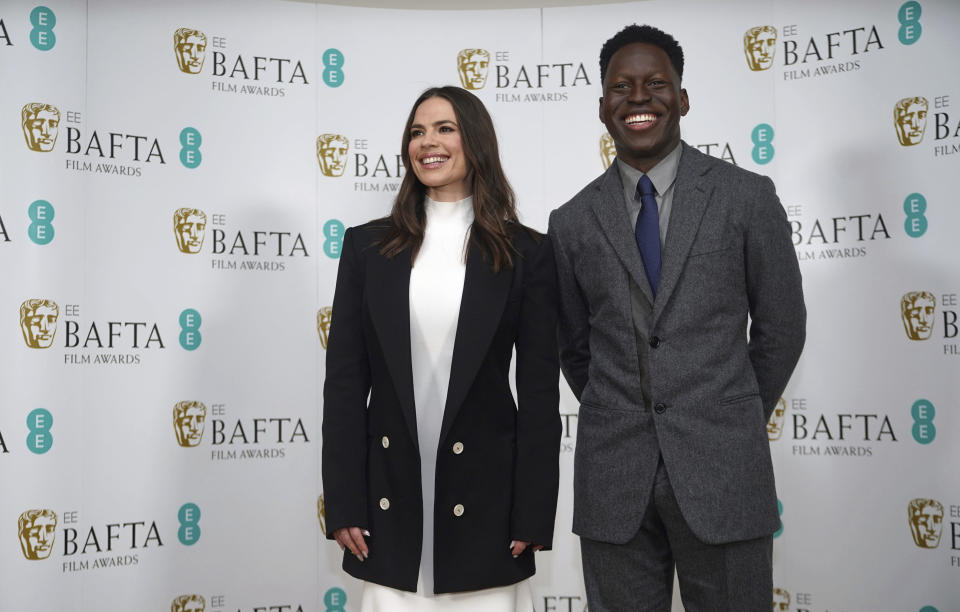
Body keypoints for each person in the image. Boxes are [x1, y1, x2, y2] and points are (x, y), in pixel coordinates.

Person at [548, 25, 806, 610]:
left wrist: (728, 412)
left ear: (683, 98)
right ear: (601, 106)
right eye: (621, 87)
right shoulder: (570, 222)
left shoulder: (746, 197)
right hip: (614, 481)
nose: (638, 98)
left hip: (725, 471)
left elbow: (781, 328)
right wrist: (623, 409)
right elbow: (574, 348)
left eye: (656, 83)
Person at [322, 85, 560, 611]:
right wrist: (342, 504)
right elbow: (343, 386)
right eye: (416, 131)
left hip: (487, 506)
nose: (427, 142)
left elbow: (540, 396)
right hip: (388, 503)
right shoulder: (367, 248)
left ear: (475, 142)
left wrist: (533, 512)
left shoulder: (527, 253)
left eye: (444, 128)